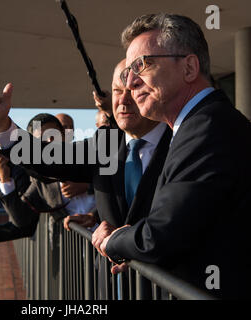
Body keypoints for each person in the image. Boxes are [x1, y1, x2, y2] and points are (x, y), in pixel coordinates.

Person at [0, 58, 172, 267]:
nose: (124, 100)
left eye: (135, 88)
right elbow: (46, 158)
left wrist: (117, 242)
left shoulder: (183, 142)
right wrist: (1, 125)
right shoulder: (105, 144)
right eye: (117, 91)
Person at [98, 13, 251, 299]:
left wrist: (114, 240)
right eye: (128, 71)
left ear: (190, 67)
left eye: (141, 65)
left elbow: (161, 236)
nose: (130, 83)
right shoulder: (199, 125)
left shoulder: (209, 127)